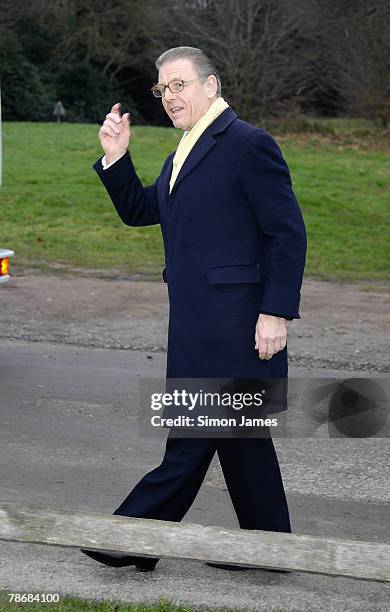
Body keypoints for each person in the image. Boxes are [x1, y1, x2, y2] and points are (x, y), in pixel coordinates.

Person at [81, 46, 307, 572]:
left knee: (188, 443)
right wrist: (116, 155)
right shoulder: (183, 151)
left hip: (235, 329)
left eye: (179, 84)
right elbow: (143, 210)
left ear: (211, 85)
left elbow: (287, 233)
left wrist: (277, 313)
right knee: (243, 443)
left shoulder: (248, 144)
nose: (169, 97)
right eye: (162, 89)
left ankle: (127, 539)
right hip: (195, 324)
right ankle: (270, 548)